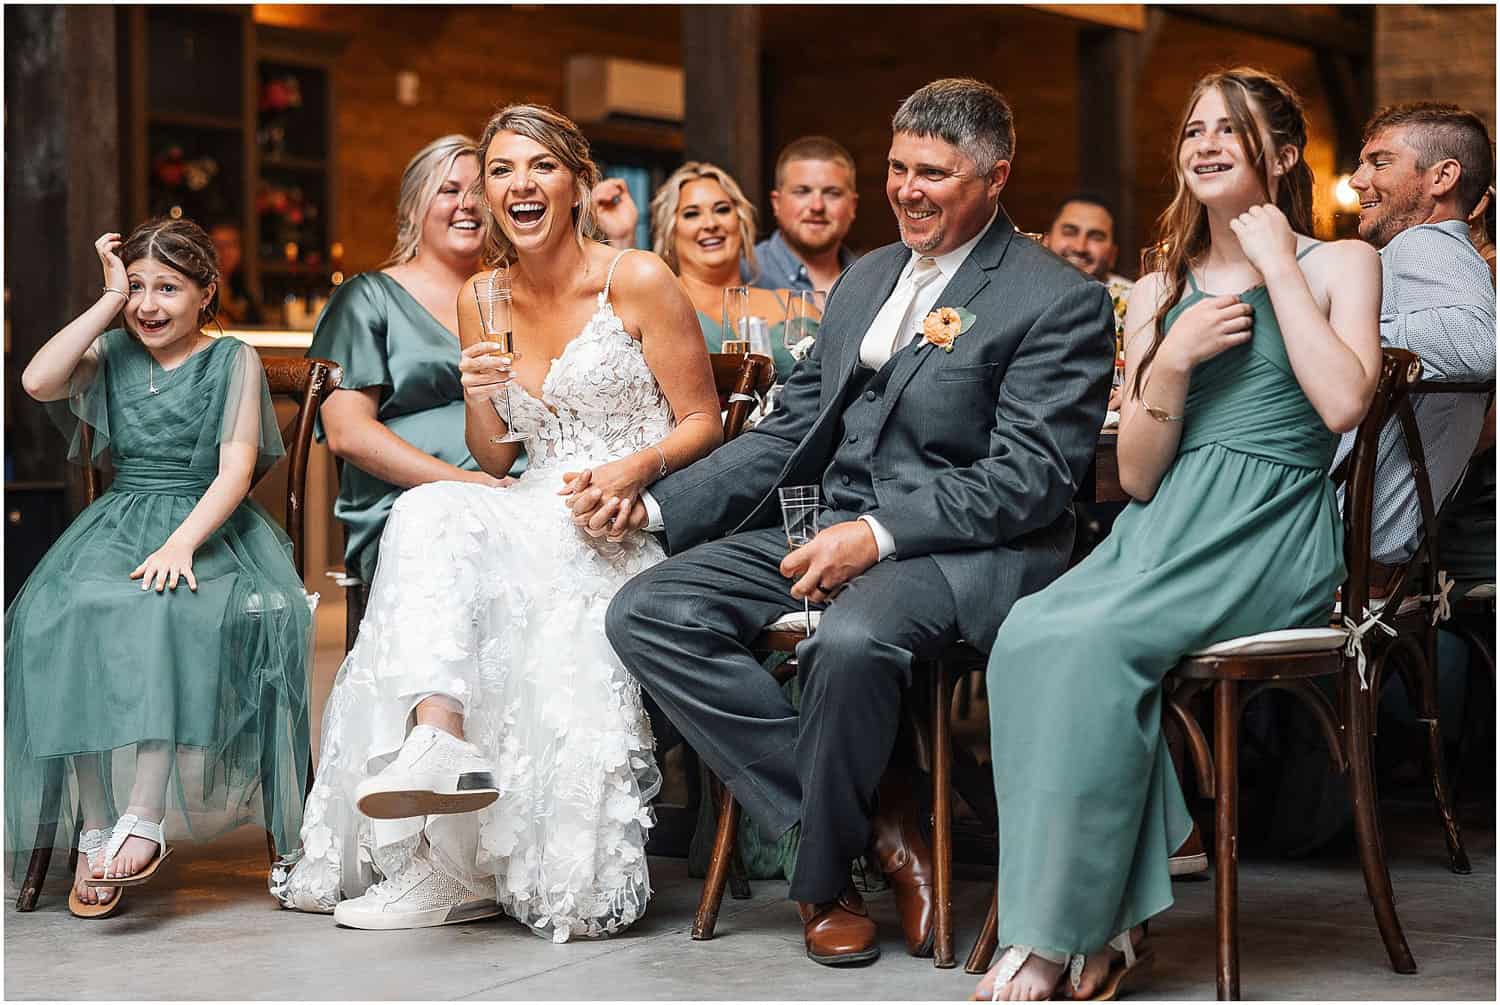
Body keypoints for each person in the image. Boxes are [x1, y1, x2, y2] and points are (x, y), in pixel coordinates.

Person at [602, 77, 1114, 967]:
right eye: (896, 168)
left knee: (849, 643)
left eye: (934, 174)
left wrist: (876, 535)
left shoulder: (1054, 299)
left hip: (960, 549)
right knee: (647, 609)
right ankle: (874, 814)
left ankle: (819, 882)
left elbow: (1030, 481)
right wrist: (653, 504)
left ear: (996, 178)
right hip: (822, 523)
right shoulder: (868, 277)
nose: (907, 190)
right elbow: (793, 427)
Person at [972, 67, 1381, 1000]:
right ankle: (1110, 924)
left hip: (1270, 526)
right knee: (1028, 634)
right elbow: (1142, 473)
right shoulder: (1158, 285)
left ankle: (1050, 936)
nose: (1202, 145)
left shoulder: (1341, 263)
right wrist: (1173, 360)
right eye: (1193, 130)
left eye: (1228, 132)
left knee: (1089, 640)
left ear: (1280, 157)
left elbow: (1344, 400)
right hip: (1164, 522)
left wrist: (1277, 264)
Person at [271, 104, 722, 942]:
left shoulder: (638, 279)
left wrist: (635, 468)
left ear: (580, 185)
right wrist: (481, 395)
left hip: (614, 515)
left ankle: (465, 865)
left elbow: (704, 421)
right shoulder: (484, 296)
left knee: (517, 593)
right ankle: (437, 755)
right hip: (533, 499)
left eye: (541, 167)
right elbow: (497, 453)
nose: (520, 185)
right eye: (503, 170)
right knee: (431, 507)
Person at [6, 218, 312, 919]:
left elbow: (236, 470)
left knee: (161, 603)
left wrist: (182, 542)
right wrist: (108, 300)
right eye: (138, 287)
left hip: (209, 523)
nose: (149, 304)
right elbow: (36, 379)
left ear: (206, 293)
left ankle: (143, 816)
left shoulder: (231, 357)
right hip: (120, 516)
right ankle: (94, 823)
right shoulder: (113, 345)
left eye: (168, 288)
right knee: (65, 608)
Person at [307, 136, 514, 590]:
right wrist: (465, 482)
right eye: (448, 190)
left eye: (480, 191)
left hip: (512, 491)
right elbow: (347, 434)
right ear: (412, 209)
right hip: (407, 504)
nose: (468, 205)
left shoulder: (511, 295)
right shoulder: (367, 298)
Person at [1337, 102, 1496, 573]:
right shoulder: (1420, 253)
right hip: (1371, 538)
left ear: (1441, 177)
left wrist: (1329, 328)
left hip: (1337, 535)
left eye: (1379, 162)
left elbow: (1477, 345)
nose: (1356, 180)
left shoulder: (1424, 242)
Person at [650, 161, 800, 381]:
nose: (710, 224)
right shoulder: (654, 307)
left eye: (722, 210)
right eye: (692, 214)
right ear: (671, 231)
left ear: (741, 221)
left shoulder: (794, 306)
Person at [745, 136, 860, 294]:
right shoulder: (744, 272)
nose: (817, 206)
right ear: (776, 203)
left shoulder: (873, 279)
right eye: (802, 192)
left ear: (852, 206)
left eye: (832, 193)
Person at [208, 219, 263, 325]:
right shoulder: (199, 292)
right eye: (217, 245)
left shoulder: (241, 291)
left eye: (230, 245)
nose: (224, 252)